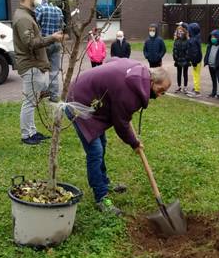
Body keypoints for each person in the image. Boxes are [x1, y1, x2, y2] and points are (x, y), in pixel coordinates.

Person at [66, 59, 172, 215]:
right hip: (79, 103)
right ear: (151, 81)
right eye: (160, 90)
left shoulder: (138, 69)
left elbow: (113, 60)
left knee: (101, 142)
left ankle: (104, 182)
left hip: (93, 101)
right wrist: (134, 143)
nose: (160, 95)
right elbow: (121, 124)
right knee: (95, 151)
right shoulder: (129, 94)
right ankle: (101, 198)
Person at [12, 0, 64, 145]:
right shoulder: (23, 18)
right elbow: (30, 43)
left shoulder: (28, 14)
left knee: (33, 100)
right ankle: (27, 135)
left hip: (35, 64)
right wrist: (53, 38)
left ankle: (32, 131)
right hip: (31, 65)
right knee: (29, 101)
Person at [35, 0, 64, 102]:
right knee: (54, 71)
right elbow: (62, 26)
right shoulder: (58, 9)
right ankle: (54, 96)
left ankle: (43, 90)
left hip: (44, 43)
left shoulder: (39, 9)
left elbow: (34, 25)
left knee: (40, 69)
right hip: (56, 43)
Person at [204, 29, 219, 98]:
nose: (213, 39)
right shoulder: (209, 46)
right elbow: (207, 54)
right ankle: (213, 92)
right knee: (213, 79)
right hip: (210, 65)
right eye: (211, 37)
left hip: (218, 66)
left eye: (214, 37)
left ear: (218, 38)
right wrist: (206, 61)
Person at [187, 22, 203, 97]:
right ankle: (196, 88)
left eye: (189, 30)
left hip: (196, 61)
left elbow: (194, 52)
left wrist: (194, 61)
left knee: (196, 75)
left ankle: (197, 91)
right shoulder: (196, 37)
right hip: (197, 60)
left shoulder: (193, 40)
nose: (188, 32)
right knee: (195, 74)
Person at [173, 25, 190, 93]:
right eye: (178, 31)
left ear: (184, 31)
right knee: (178, 73)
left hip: (185, 60)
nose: (180, 32)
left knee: (185, 73)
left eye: (181, 30)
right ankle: (179, 86)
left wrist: (186, 59)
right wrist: (175, 58)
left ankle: (185, 87)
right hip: (178, 60)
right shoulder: (176, 40)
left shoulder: (187, 41)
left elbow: (188, 51)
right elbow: (174, 50)